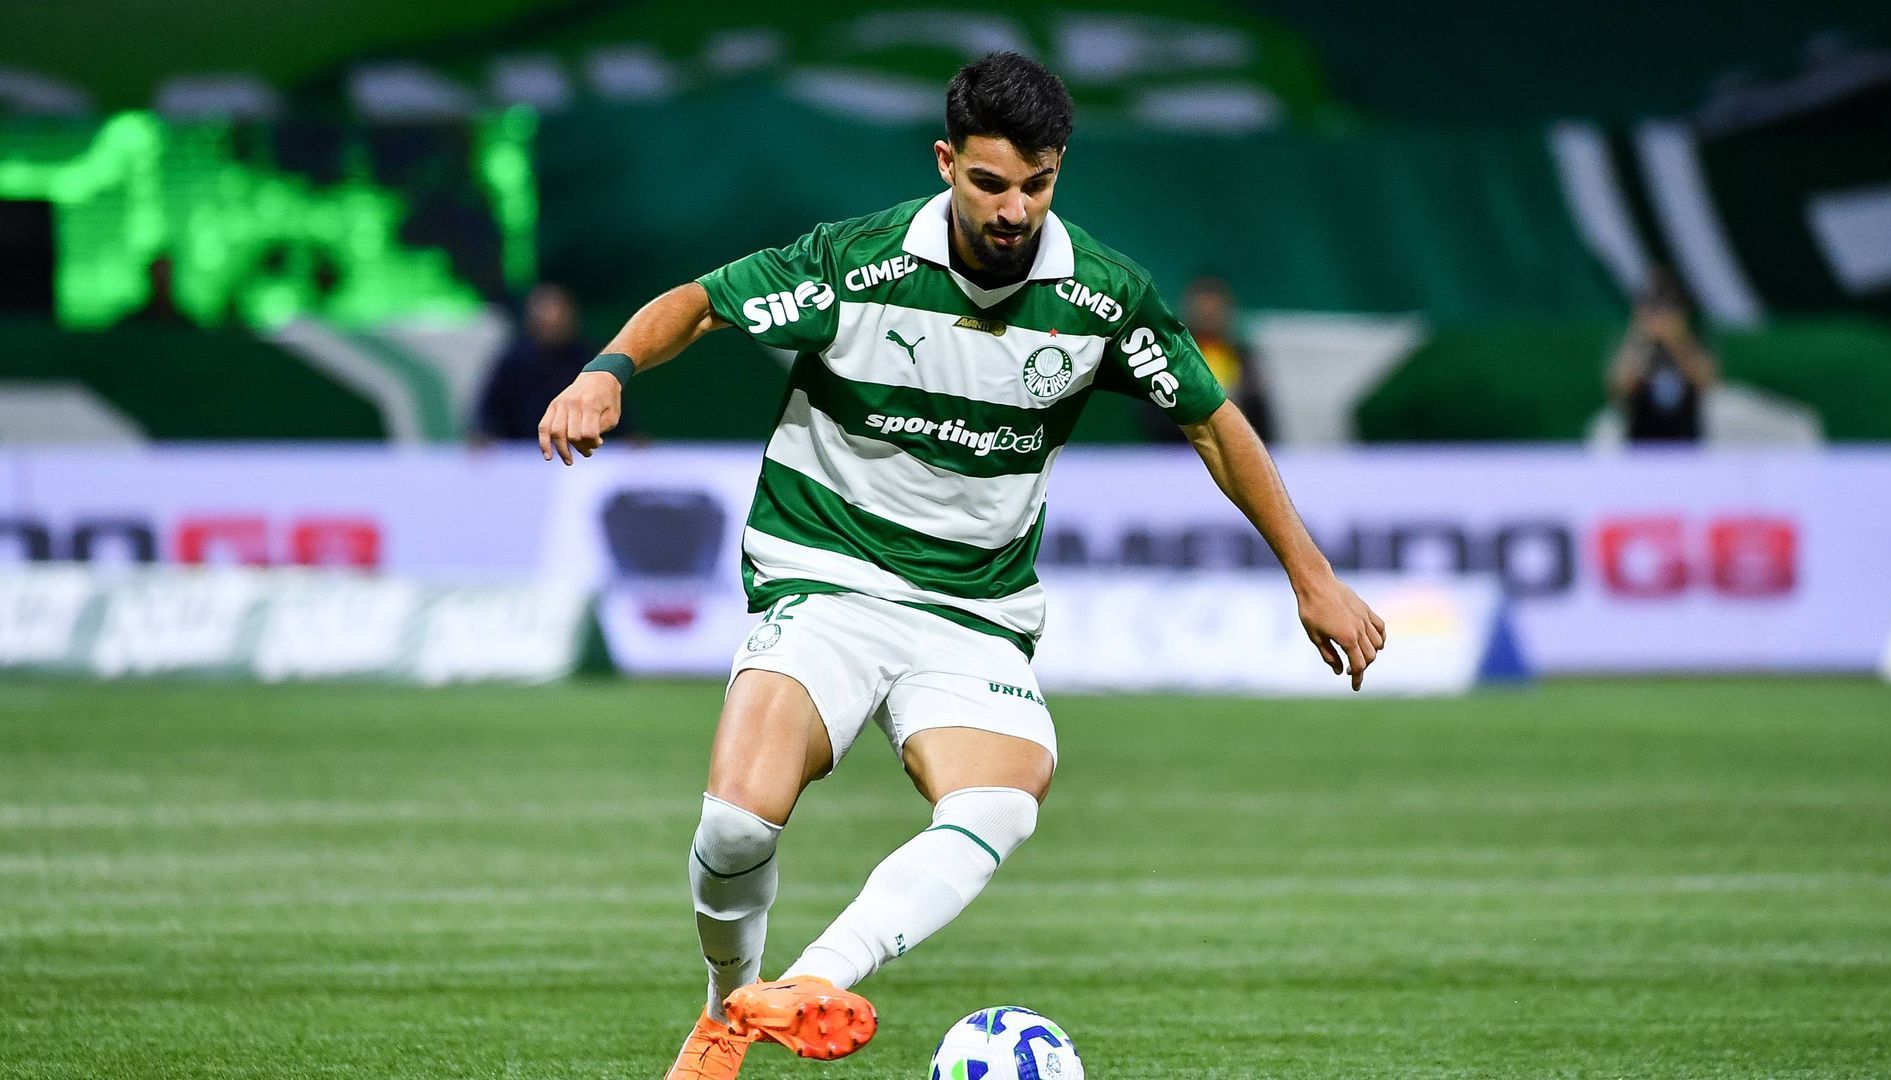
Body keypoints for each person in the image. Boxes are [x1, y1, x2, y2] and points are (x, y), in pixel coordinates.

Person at [534, 53, 1386, 1079]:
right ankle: (726, 1016)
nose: (1014, 208)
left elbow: (1213, 424)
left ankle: (814, 978)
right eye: (990, 182)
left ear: (1058, 171)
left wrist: (1312, 575)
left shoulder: (1104, 298)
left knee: (1004, 795)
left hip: (973, 608)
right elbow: (699, 304)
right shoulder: (857, 265)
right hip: (825, 577)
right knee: (733, 829)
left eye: (1037, 183)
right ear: (946, 162)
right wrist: (605, 370)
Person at [1141, 275, 1273, 442]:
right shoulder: (1168, 357)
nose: (1208, 314)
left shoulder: (1244, 359)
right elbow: (1154, 418)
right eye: (1202, 306)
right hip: (1178, 455)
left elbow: (1260, 417)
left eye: (1215, 307)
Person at [473, 283, 603, 444]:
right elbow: (490, 411)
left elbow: (611, 409)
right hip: (520, 454)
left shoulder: (587, 359)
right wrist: (485, 434)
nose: (550, 327)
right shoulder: (513, 361)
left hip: (578, 453)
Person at [1606, 270, 1718, 443]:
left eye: (1668, 310)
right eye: (1654, 310)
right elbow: (1619, 388)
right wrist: (1641, 338)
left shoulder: (1693, 344)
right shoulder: (1635, 345)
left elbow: (1707, 384)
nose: (1660, 318)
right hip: (1642, 442)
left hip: (1686, 440)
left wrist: (1676, 341)